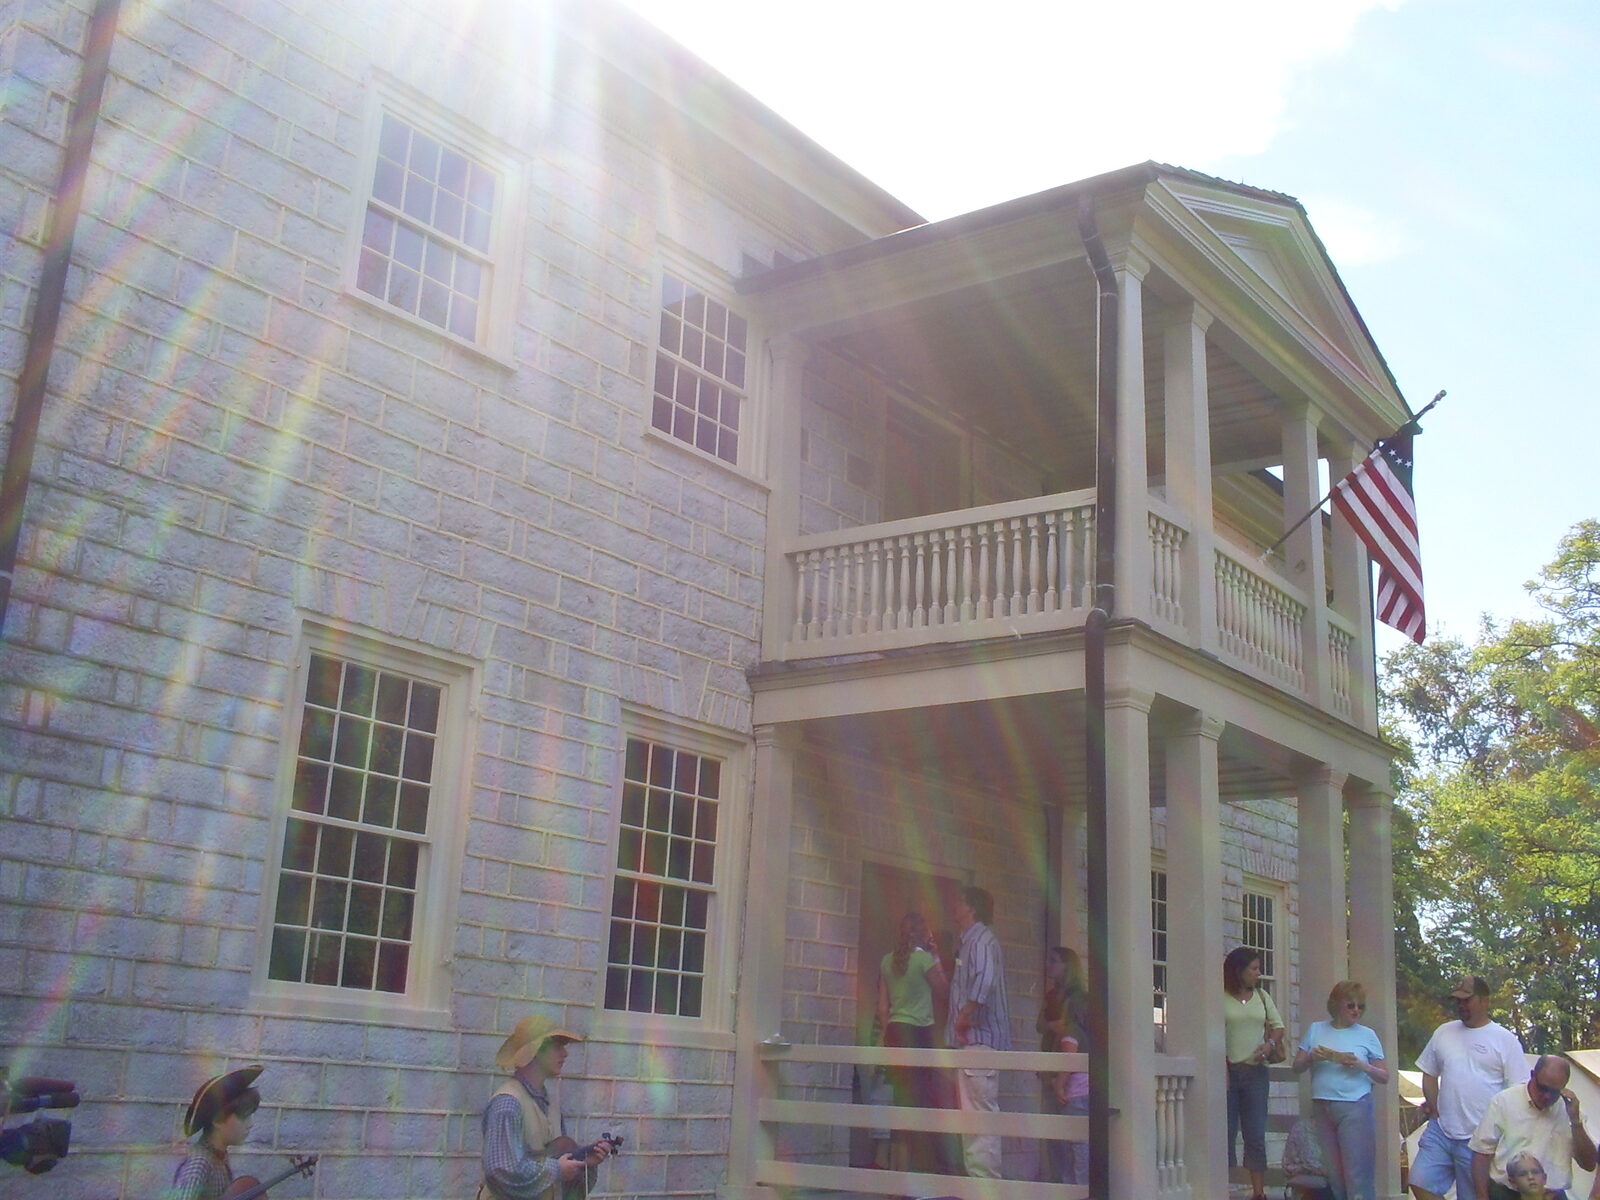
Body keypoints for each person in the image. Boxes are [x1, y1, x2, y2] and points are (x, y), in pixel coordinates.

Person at [1411, 974, 1526, 1200]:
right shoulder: (1444, 1032)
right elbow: (1429, 1072)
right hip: (1441, 1130)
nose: (1461, 1005)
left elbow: (1517, 1091)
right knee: (1419, 1182)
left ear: (1485, 1001)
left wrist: (1501, 1133)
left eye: (1467, 1000)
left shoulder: (1504, 1039)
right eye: (1458, 1000)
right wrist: (1434, 1109)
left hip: (1478, 1138)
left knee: (1473, 1196)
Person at [482, 1014, 614, 1200]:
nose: (565, 1053)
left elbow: (564, 1185)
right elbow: (501, 1172)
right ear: (536, 1051)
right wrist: (556, 1170)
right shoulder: (508, 1103)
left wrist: (585, 1162)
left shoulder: (551, 1103)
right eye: (557, 1045)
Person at [1293, 980, 1389, 1200]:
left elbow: (1384, 1076)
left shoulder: (1367, 1035)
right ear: (1336, 1005)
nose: (1356, 1010)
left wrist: (1361, 1064)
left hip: (1354, 1106)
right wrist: (1310, 1057)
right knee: (1334, 1174)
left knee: (1357, 1173)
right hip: (1322, 1106)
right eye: (1351, 1005)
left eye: (1360, 1006)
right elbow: (1296, 1067)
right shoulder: (1316, 1029)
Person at [876, 911, 948, 1173]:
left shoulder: (886, 961)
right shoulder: (924, 959)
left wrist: (887, 1034)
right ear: (922, 932)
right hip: (918, 1033)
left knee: (900, 1101)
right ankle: (912, 1174)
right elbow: (943, 990)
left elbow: (882, 1006)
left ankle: (897, 1172)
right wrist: (936, 954)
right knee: (917, 1103)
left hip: (895, 1031)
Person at [947, 884, 1010, 1179]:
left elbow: (984, 982)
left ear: (971, 907)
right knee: (973, 1122)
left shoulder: (981, 941)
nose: (954, 906)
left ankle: (985, 1189)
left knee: (980, 1122)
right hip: (971, 1046)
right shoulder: (969, 941)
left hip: (979, 1043)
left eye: (959, 901)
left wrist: (963, 1017)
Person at [1469, 1055, 1596, 1200]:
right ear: (1532, 1075)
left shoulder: (1570, 1110)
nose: (1547, 1096)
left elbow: (1589, 1164)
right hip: (1508, 1193)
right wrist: (1482, 1197)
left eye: (1554, 1091)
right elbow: (1481, 1153)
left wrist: (1576, 1122)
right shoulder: (1504, 1102)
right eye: (1542, 1088)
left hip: (1552, 1195)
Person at [1224, 945, 1286, 1200]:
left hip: (1256, 1072)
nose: (1258, 973)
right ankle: (1222, 1187)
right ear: (1239, 970)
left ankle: (1258, 1192)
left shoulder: (1261, 996)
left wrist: (1270, 1044)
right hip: (1227, 1071)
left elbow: (1278, 1026)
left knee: (1255, 1133)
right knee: (1225, 1131)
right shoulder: (1219, 996)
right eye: (1254, 969)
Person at [169, 1065, 264, 1200]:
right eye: (243, 1116)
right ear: (218, 1120)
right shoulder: (199, 1164)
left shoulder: (218, 1157)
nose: (250, 1124)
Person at [1037, 946, 1088, 1185]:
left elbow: (1074, 1034)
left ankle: (1069, 1187)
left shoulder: (1078, 998)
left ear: (1068, 966)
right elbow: (1041, 1024)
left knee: (1072, 1144)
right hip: (1050, 1070)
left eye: (1055, 961)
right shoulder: (1051, 996)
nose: (1049, 965)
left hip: (1069, 1078)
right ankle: (1058, 1184)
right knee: (1053, 1137)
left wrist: (1061, 1026)